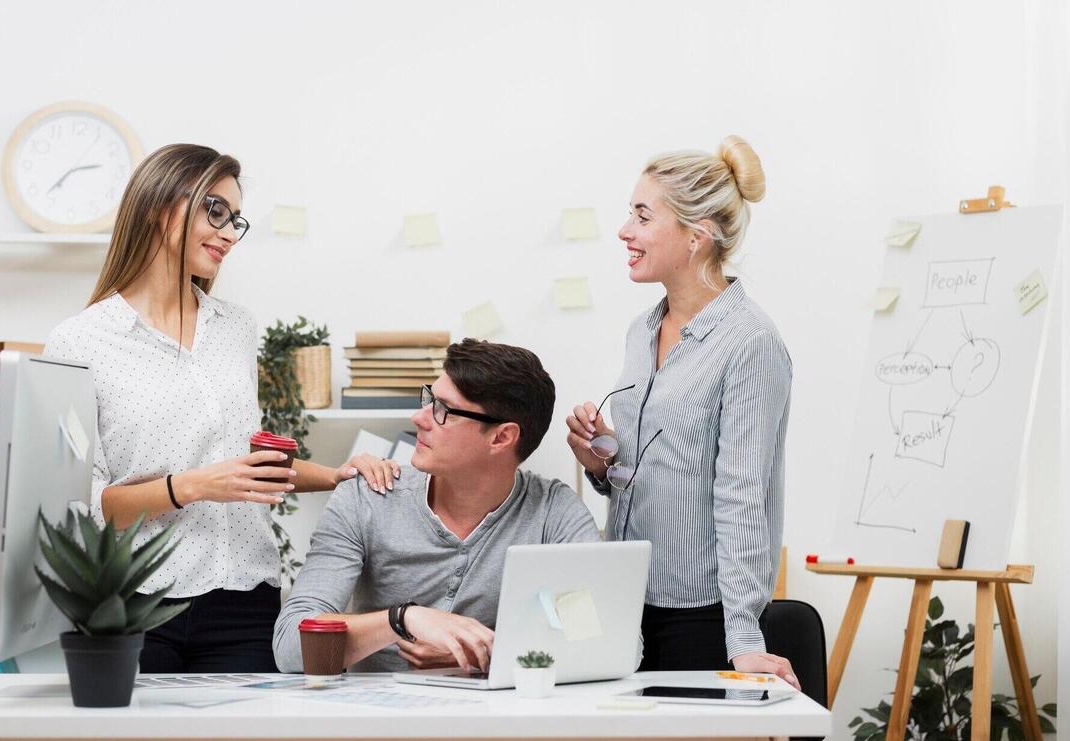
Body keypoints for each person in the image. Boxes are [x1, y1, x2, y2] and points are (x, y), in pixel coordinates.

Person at [44, 143, 397, 673]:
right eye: (216, 212)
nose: (230, 233)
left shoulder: (235, 328)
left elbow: (246, 461)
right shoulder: (81, 342)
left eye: (236, 220)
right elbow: (80, 505)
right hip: (137, 604)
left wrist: (336, 475)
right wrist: (189, 487)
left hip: (246, 600)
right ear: (158, 205)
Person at [565, 136, 799, 689]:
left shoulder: (749, 342)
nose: (625, 230)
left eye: (642, 216)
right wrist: (605, 460)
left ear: (697, 236)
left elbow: (743, 493)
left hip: (703, 617)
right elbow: (664, 465)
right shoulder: (641, 331)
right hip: (627, 604)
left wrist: (742, 637)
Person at [273, 339, 601, 673]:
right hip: (378, 720)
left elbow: (600, 640)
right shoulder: (367, 498)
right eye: (429, 398)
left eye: (443, 410)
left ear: (501, 438)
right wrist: (404, 619)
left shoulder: (554, 513)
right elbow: (290, 648)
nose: (419, 417)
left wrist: (481, 655)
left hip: (496, 721)